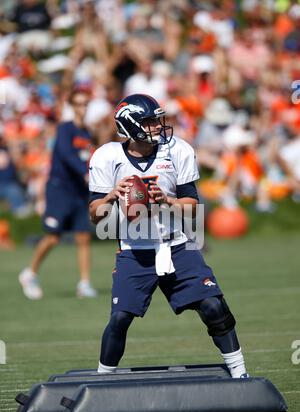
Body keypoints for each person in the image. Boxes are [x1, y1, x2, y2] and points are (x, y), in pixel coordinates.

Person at [89, 93, 249, 378]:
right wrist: (112, 196)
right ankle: (102, 380)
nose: (157, 127)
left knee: (213, 306)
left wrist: (167, 201)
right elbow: (95, 214)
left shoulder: (178, 150)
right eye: (149, 122)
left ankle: (240, 373)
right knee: (120, 318)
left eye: (157, 121)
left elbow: (191, 207)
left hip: (177, 243)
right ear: (130, 126)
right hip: (135, 249)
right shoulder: (107, 156)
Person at [19, 89, 97, 300]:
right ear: (72, 106)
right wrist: (84, 172)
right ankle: (30, 273)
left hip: (80, 192)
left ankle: (84, 283)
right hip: (60, 188)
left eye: (85, 103)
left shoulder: (87, 133)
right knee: (53, 237)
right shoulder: (65, 129)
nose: (82, 107)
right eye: (78, 104)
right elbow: (65, 154)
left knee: (83, 237)